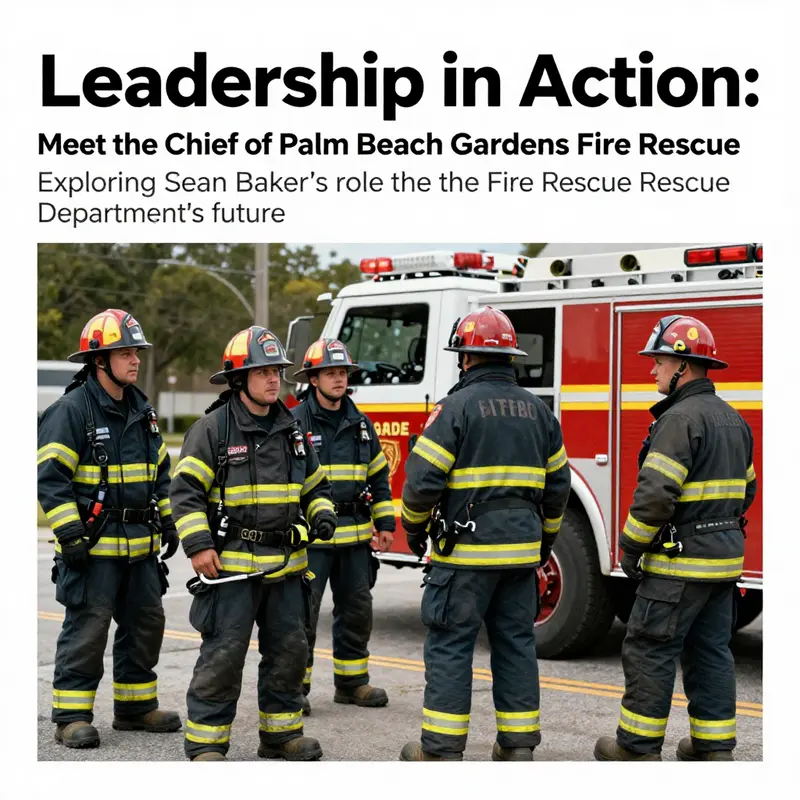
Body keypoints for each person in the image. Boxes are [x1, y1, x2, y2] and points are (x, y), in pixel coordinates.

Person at [397, 307, 571, 762]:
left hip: (465, 556)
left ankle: (441, 750)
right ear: (509, 357)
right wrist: (543, 544)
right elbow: (558, 489)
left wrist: (415, 530)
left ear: (466, 358)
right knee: (516, 645)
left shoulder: (453, 408)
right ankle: (517, 748)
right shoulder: (540, 412)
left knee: (451, 645)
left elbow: (421, 482)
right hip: (520, 558)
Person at [169, 326, 337, 762]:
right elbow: (184, 493)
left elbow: (316, 485)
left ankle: (281, 736)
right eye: (262, 371)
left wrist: (321, 511)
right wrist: (199, 545)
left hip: (286, 567)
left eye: (277, 371)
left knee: (289, 652)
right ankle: (207, 739)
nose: (273, 379)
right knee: (224, 656)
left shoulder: (293, 429)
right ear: (239, 378)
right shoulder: (212, 430)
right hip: (232, 571)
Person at [594, 315, 757, 762]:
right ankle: (713, 746)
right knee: (711, 653)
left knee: (650, 649)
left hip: (677, 567)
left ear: (682, 366)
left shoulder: (678, 419)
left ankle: (636, 748)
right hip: (721, 565)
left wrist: (630, 547)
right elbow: (747, 490)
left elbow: (654, 496)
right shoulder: (733, 419)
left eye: (659, 362)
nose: (653, 371)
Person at [37, 309, 181, 749]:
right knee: (88, 629)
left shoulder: (142, 409)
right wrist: (70, 535)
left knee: (145, 624)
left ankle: (135, 709)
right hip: (93, 548)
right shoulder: (70, 411)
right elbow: (51, 479)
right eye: (125, 352)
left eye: (136, 351)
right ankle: (72, 716)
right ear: (99, 360)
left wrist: (170, 522)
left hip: (139, 549)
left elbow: (159, 472)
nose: (135, 359)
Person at [291, 338, 396, 715]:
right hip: (312, 542)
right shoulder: (294, 422)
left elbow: (378, 478)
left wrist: (385, 522)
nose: (338, 379)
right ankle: (294, 688)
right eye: (330, 373)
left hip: (354, 539)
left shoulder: (361, 424)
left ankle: (352, 683)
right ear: (313, 379)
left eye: (342, 372)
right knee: (302, 615)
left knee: (356, 611)